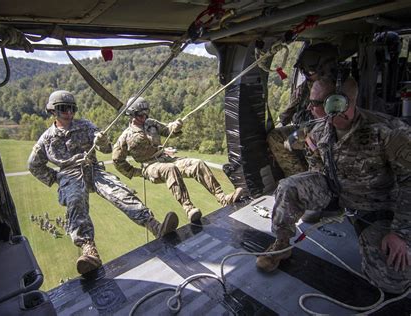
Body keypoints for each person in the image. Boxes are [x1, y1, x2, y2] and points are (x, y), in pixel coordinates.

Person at [256, 78, 411, 294]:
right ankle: (282, 243)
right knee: (288, 187)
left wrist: (401, 233)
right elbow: (296, 147)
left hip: (379, 206)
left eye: (316, 103)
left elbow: (409, 181)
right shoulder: (321, 128)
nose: (310, 108)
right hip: (336, 193)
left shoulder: (388, 132)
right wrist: (309, 151)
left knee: (393, 280)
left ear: (339, 105)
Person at [28, 90, 179, 275]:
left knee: (120, 192)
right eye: (63, 109)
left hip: (93, 168)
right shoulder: (46, 138)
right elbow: (34, 165)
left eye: (71, 109)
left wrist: (102, 141)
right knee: (75, 199)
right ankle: (88, 249)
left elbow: (107, 149)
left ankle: (155, 226)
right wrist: (55, 178)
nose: (68, 113)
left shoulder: (86, 126)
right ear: (53, 112)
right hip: (70, 174)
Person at [112, 97, 244, 222]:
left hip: (166, 159)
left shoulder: (151, 124)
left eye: (146, 114)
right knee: (170, 169)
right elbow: (117, 160)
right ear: (132, 115)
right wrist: (135, 172)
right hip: (150, 166)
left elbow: (168, 130)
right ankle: (189, 208)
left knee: (197, 164)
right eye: (141, 115)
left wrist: (176, 126)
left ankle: (223, 198)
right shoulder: (126, 136)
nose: (144, 117)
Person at [267, 43, 339, 177]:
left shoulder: (337, 87)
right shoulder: (304, 87)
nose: (306, 75)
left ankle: (314, 177)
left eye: (310, 72)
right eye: (304, 71)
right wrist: (279, 122)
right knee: (274, 136)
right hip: (305, 127)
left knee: (304, 139)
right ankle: (297, 176)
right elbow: (289, 111)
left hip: (326, 131)